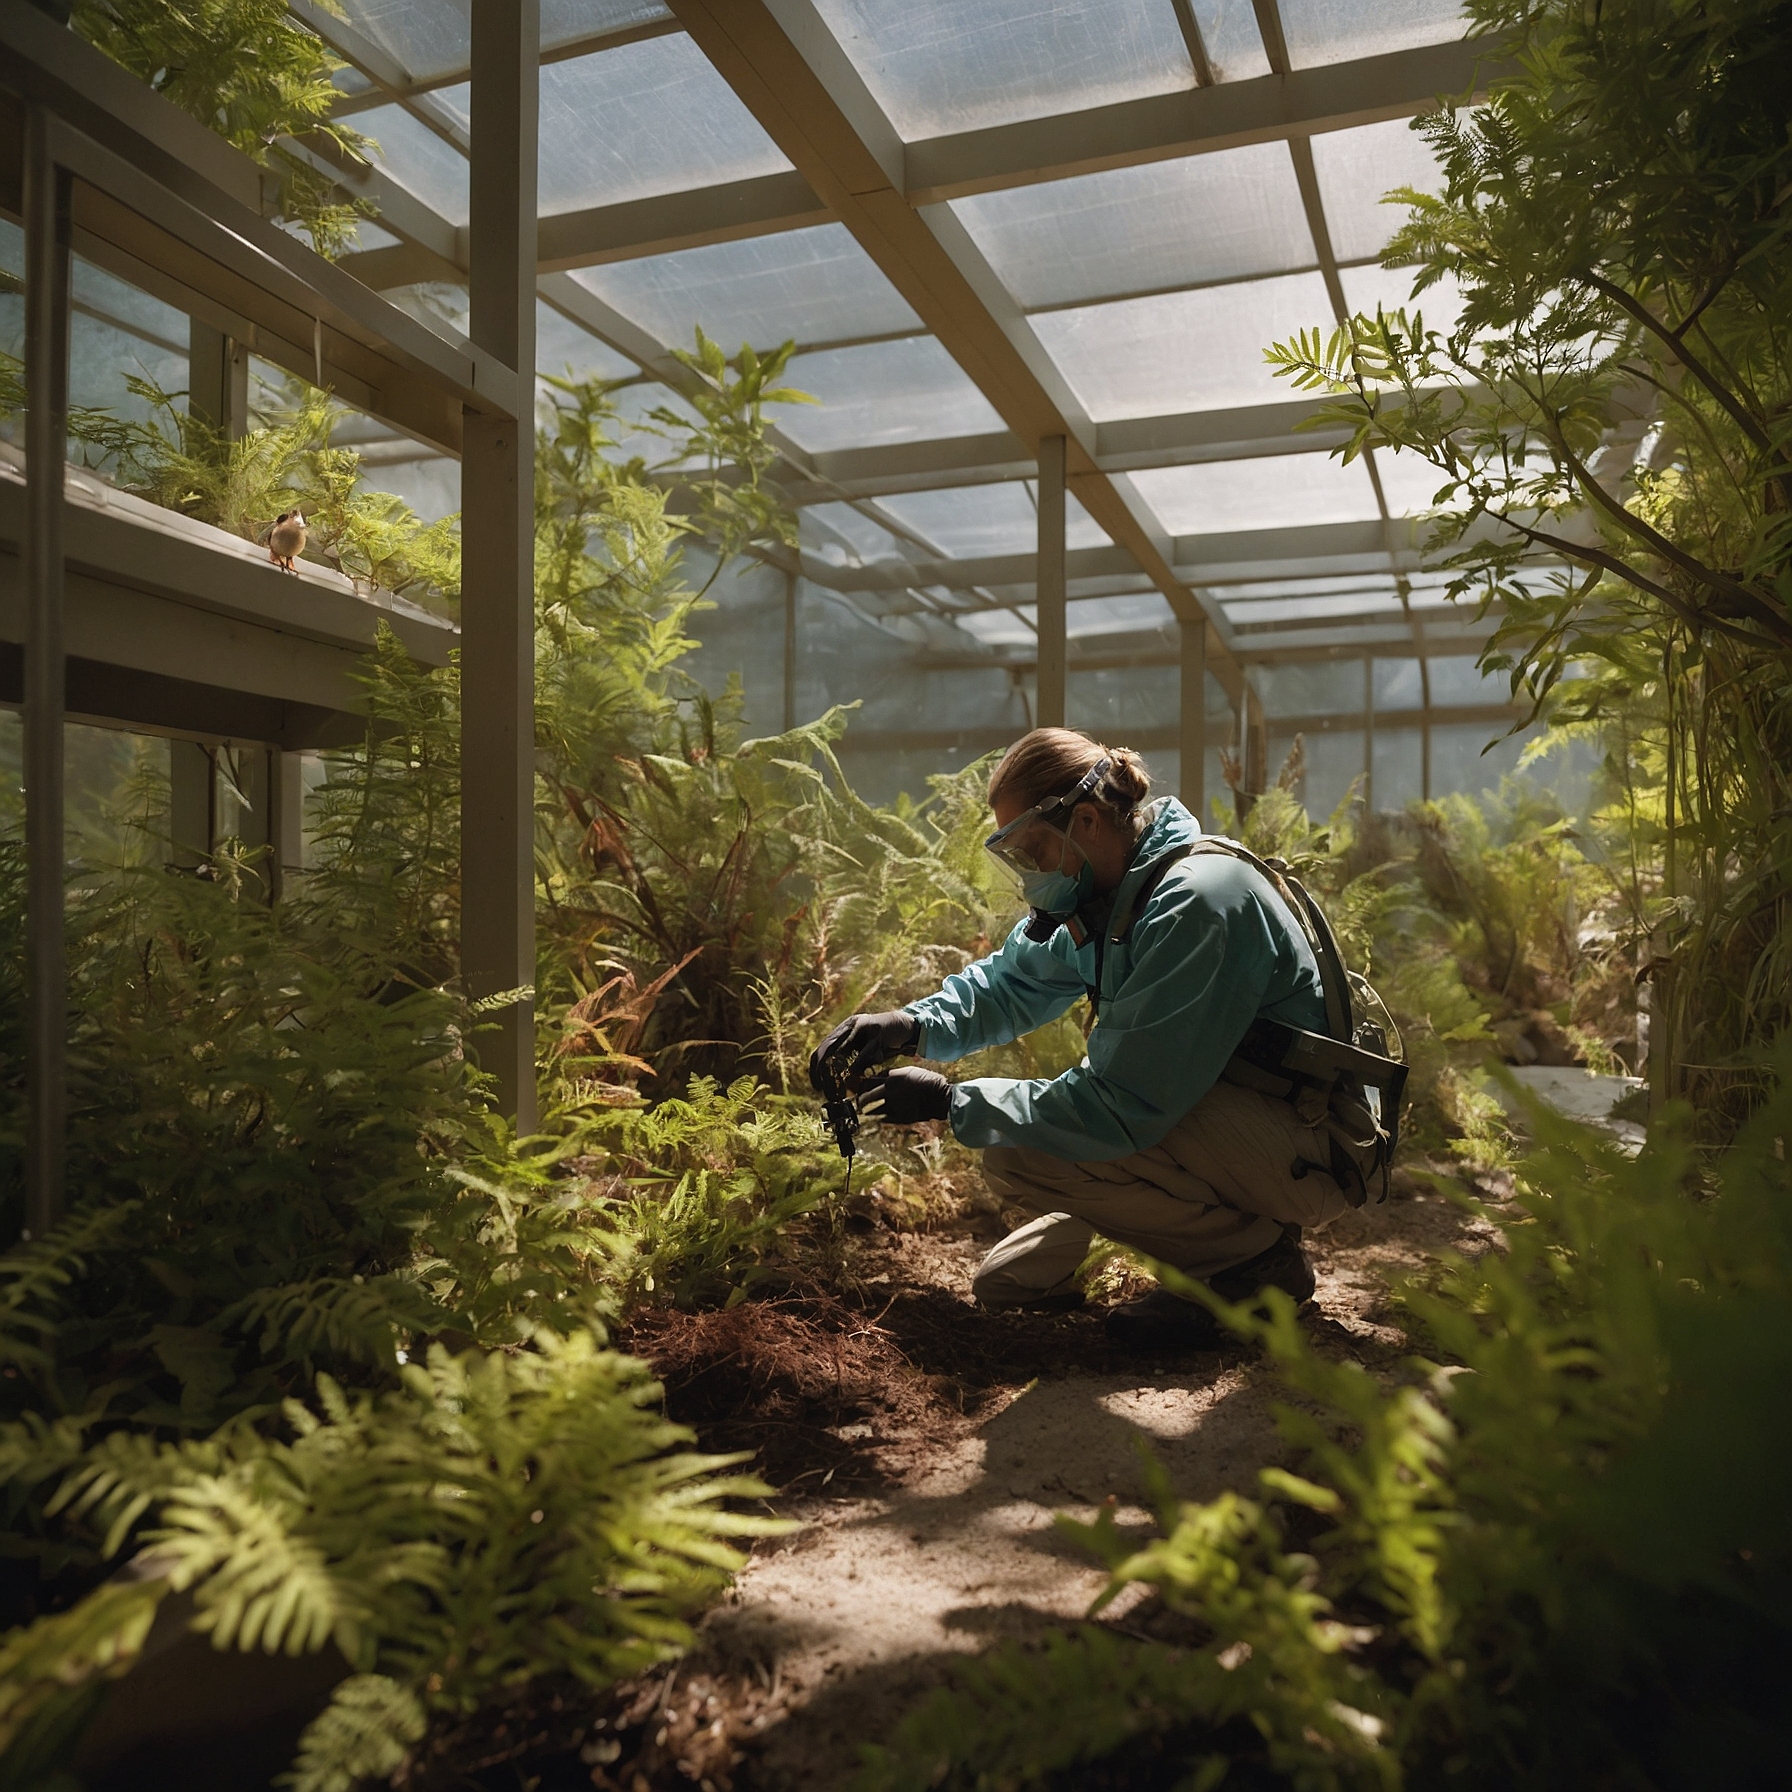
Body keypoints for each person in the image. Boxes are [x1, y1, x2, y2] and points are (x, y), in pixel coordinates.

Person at [808, 727, 1373, 1350]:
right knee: (1011, 1230)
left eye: (1034, 852)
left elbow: (1122, 1103)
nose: (1028, 874)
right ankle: (1211, 1243)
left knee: (1018, 1140)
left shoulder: (1196, 902)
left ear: (1085, 821)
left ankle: (1253, 1265)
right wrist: (909, 1027)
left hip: (1313, 1147)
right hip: (1243, 1122)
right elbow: (1011, 983)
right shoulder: (1111, 894)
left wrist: (949, 1102)